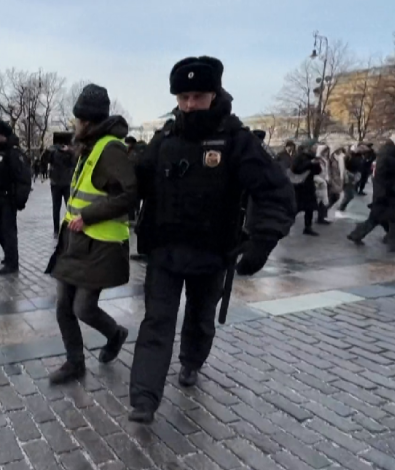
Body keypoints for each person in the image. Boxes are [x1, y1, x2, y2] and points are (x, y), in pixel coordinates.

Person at [128, 56, 296, 424]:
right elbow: (136, 182)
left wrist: (261, 241)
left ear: (214, 93)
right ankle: (144, 397)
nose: (189, 104)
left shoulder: (236, 140)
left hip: (212, 252)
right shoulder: (165, 139)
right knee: (156, 321)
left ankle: (191, 362)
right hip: (165, 251)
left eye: (198, 96)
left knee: (200, 317)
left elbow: (275, 192)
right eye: (183, 97)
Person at [45, 84, 137, 385]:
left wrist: (88, 216)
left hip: (100, 244)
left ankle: (116, 333)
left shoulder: (110, 149)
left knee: (83, 307)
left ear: (88, 121)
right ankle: (75, 363)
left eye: (78, 119)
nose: (75, 124)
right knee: (63, 307)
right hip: (76, 241)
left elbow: (129, 195)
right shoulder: (91, 147)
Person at [348, 134, 395, 253]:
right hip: (390, 192)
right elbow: (381, 176)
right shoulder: (386, 154)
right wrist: (383, 192)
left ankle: (357, 234)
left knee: (378, 217)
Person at [0, 120, 26, 275]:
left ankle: (12, 262)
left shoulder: (13, 152)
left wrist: (20, 198)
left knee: (8, 231)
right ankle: (8, 255)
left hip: (9, 198)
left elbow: (23, 177)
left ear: (2, 135)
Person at [44, 132, 76, 238]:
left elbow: (44, 160)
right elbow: (75, 162)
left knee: (56, 208)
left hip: (56, 183)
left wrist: (48, 149)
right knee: (69, 206)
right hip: (67, 182)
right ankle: (70, 228)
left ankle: (56, 230)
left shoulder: (53, 151)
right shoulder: (71, 152)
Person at [291, 139, 322, 236]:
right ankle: (285, 222)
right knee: (296, 207)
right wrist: (310, 163)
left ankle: (308, 227)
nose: (316, 148)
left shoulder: (313, 157)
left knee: (310, 208)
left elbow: (317, 171)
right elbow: (295, 169)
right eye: (314, 146)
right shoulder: (300, 156)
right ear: (309, 147)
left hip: (309, 185)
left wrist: (316, 164)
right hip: (299, 186)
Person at [339, 144, 364, 212]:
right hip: (348, 176)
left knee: (350, 195)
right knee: (349, 195)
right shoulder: (348, 156)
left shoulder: (361, 156)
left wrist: (358, 175)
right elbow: (343, 167)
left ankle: (342, 207)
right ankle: (341, 207)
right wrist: (348, 174)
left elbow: (360, 167)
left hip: (355, 176)